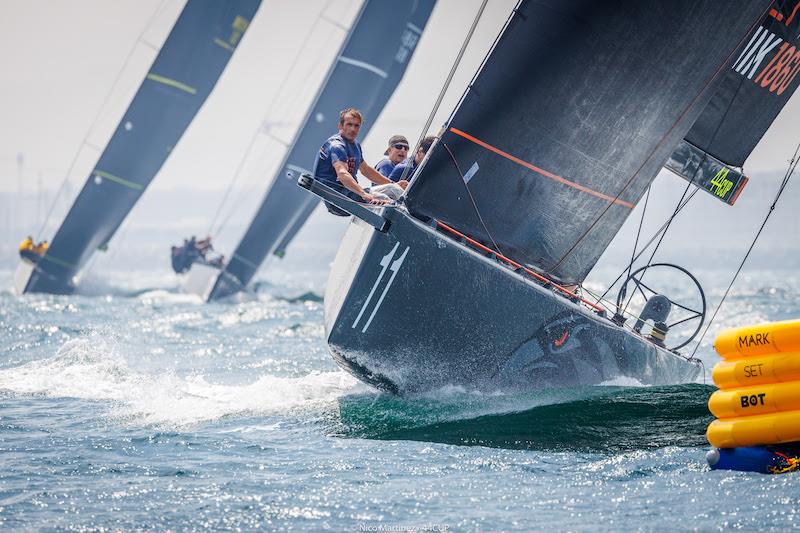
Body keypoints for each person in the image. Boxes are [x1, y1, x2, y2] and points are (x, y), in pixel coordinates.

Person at [314, 108, 400, 213]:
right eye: (349, 124)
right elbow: (342, 174)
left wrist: (393, 183)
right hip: (338, 199)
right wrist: (363, 194)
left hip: (353, 193)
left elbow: (366, 170)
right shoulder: (337, 146)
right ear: (340, 126)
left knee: (393, 189)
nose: (353, 129)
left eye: (356, 126)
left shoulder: (355, 145)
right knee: (386, 200)